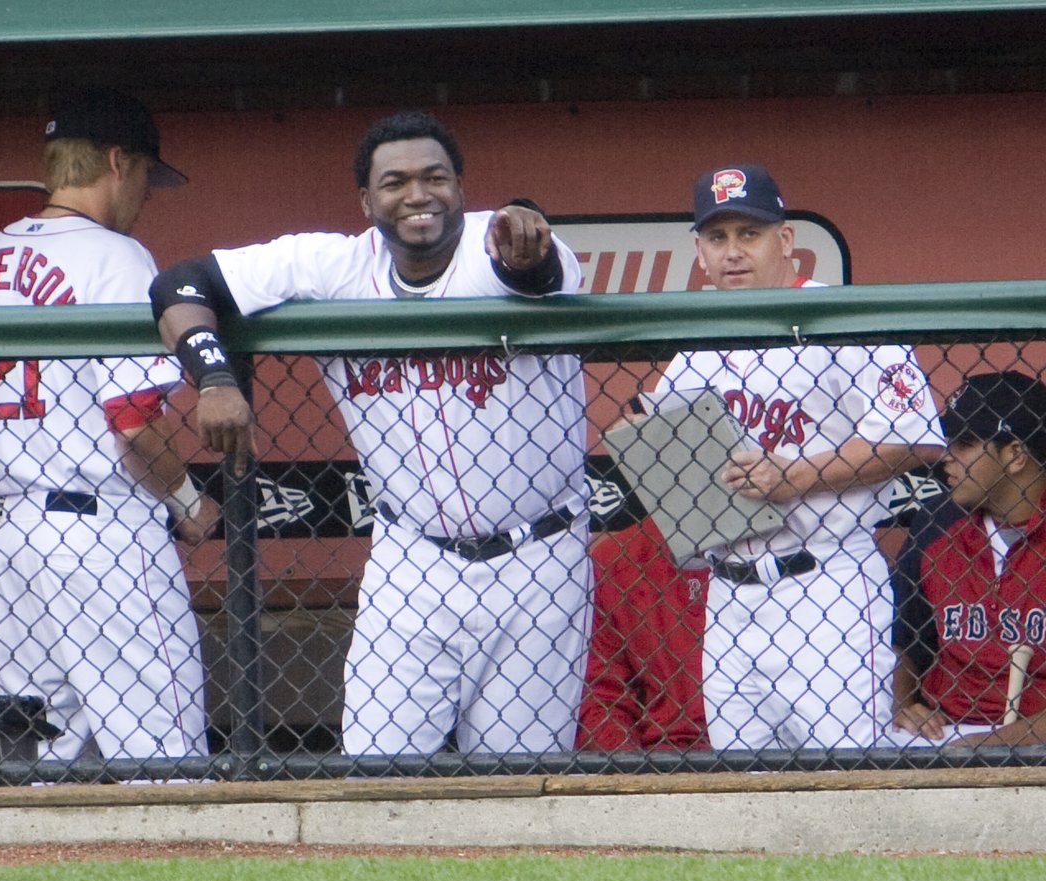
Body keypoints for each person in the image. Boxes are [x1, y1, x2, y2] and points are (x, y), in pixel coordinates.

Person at [149, 111, 591, 756]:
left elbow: (534, 272)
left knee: (521, 778)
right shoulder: (332, 264)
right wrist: (214, 378)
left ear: (461, 189)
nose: (417, 195)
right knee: (376, 766)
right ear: (367, 199)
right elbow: (181, 282)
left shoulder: (497, 244)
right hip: (412, 560)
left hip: (541, 556)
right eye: (395, 182)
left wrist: (527, 250)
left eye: (435, 177)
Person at [0, 88, 218, 762]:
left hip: (15, 542)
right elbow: (131, 421)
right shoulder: (116, 256)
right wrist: (191, 502)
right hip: (104, 534)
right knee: (165, 757)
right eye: (146, 178)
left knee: (40, 758)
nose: (147, 196)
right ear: (115, 162)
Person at [647, 164, 944, 751]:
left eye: (748, 234)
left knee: (847, 768)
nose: (733, 252)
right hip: (729, 593)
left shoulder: (846, 319)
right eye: (717, 237)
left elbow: (916, 437)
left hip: (825, 583)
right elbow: (667, 455)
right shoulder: (696, 344)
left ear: (784, 241)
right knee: (743, 778)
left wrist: (795, 476)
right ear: (699, 252)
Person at [892, 372, 1046, 747]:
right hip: (945, 730)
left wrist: (994, 745)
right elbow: (907, 644)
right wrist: (903, 704)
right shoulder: (936, 522)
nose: (946, 458)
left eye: (963, 444)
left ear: (1014, 455)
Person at [576, 518, 709, 751]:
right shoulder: (616, 556)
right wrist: (632, 772)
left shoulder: (780, 561)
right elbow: (603, 693)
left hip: (758, 744)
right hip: (660, 756)